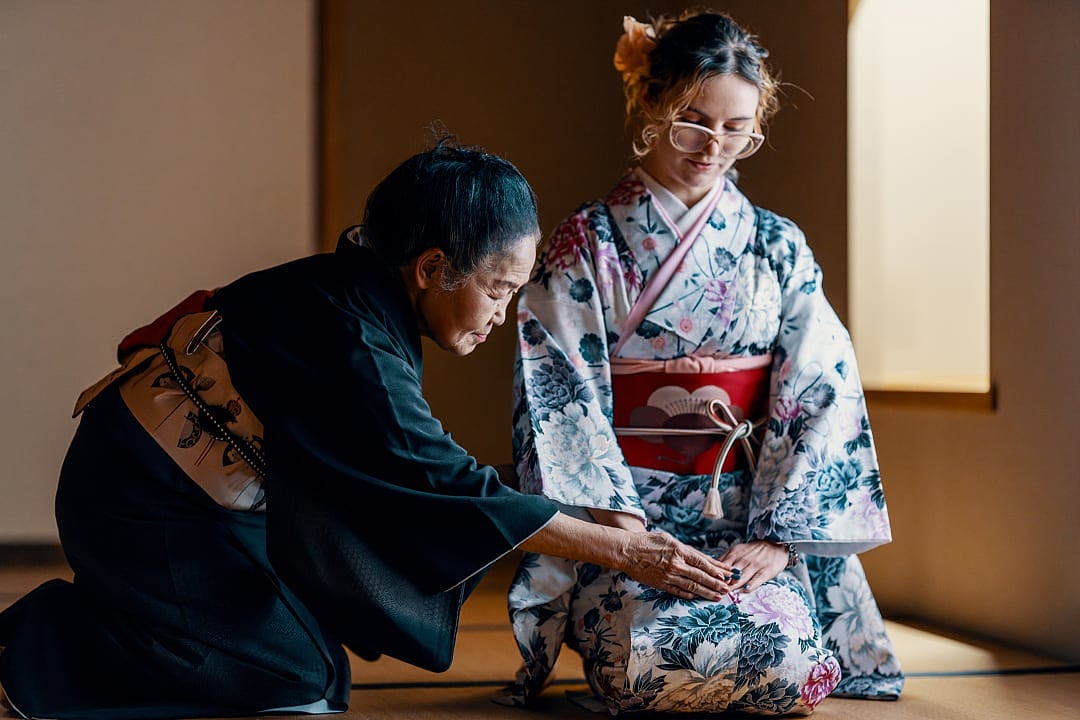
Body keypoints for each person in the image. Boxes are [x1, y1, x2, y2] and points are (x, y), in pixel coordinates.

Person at [0, 139, 739, 720]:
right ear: (429, 267)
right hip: (139, 498)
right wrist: (626, 549)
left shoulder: (352, 297)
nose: (500, 313)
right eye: (497, 288)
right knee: (294, 675)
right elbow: (441, 482)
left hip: (191, 497)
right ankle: (27, 651)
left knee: (318, 666)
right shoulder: (350, 340)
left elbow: (412, 475)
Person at [503, 10, 904, 715]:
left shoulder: (777, 246)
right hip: (626, 520)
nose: (712, 145)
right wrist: (626, 542)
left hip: (746, 521)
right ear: (652, 104)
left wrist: (776, 540)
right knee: (656, 664)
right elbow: (559, 395)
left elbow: (822, 388)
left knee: (784, 662)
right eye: (693, 119)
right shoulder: (586, 244)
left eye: (736, 127)